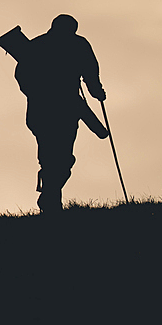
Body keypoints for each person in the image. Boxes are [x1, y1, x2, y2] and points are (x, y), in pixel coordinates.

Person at [14, 14, 106, 215]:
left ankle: (49, 194)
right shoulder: (74, 44)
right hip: (56, 109)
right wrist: (96, 91)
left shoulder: (38, 46)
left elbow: (91, 72)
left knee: (57, 159)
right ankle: (51, 200)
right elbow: (91, 72)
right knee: (57, 158)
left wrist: (96, 90)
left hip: (48, 110)